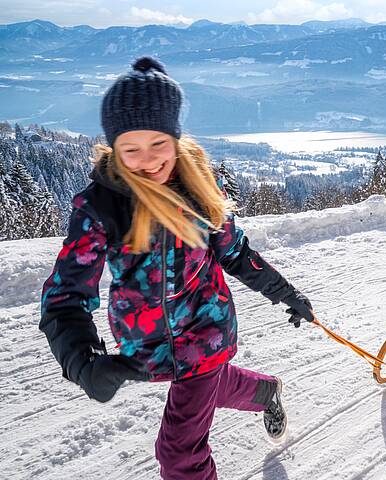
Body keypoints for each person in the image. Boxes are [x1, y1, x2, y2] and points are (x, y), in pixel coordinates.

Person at [39, 57, 315, 480]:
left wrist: (286, 292)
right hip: (147, 343)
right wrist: (83, 361)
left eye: (158, 145)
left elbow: (235, 253)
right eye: (131, 148)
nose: (147, 161)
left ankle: (254, 393)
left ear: (176, 138)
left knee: (179, 456)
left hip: (206, 333)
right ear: (114, 147)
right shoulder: (102, 207)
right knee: (206, 388)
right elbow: (64, 297)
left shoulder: (200, 191)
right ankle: (264, 390)